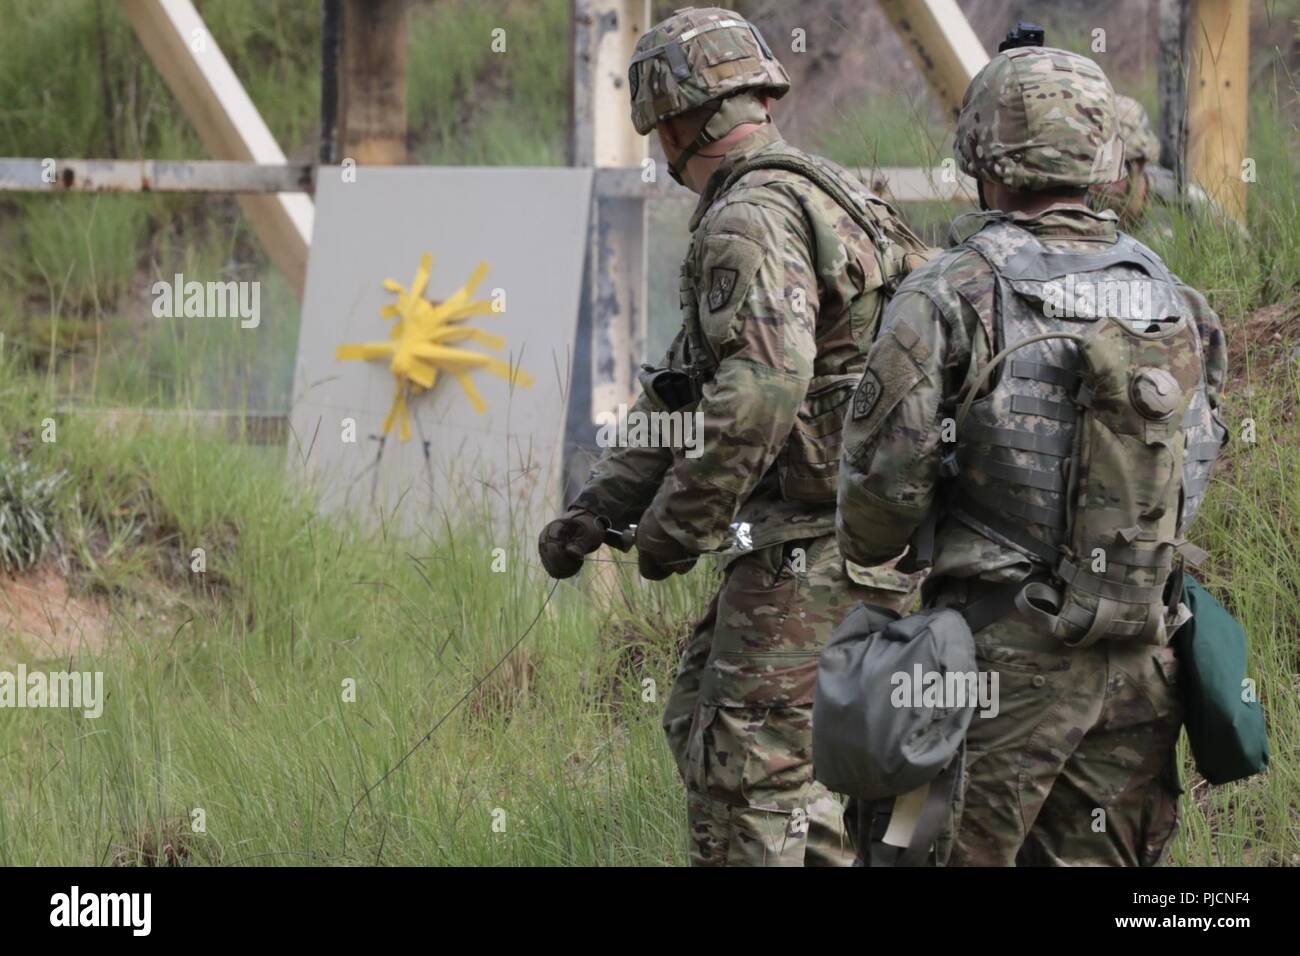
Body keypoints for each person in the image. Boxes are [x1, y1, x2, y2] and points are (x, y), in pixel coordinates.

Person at [538, 6, 931, 866]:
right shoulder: (830, 192)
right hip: (871, 547)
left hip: (810, 551)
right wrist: (600, 506)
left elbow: (761, 392)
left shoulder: (748, 218)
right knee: (741, 741)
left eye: (659, 135)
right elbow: (690, 385)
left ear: (679, 121)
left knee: (751, 787)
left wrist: (675, 529)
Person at [836, 45, 1228, 866]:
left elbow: (876, 513)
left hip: (993, 672)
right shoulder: (1175, 299)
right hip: (1145, 661)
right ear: (1102, 158)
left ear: (982, 154)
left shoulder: (948, 293)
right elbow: (1197, 465)